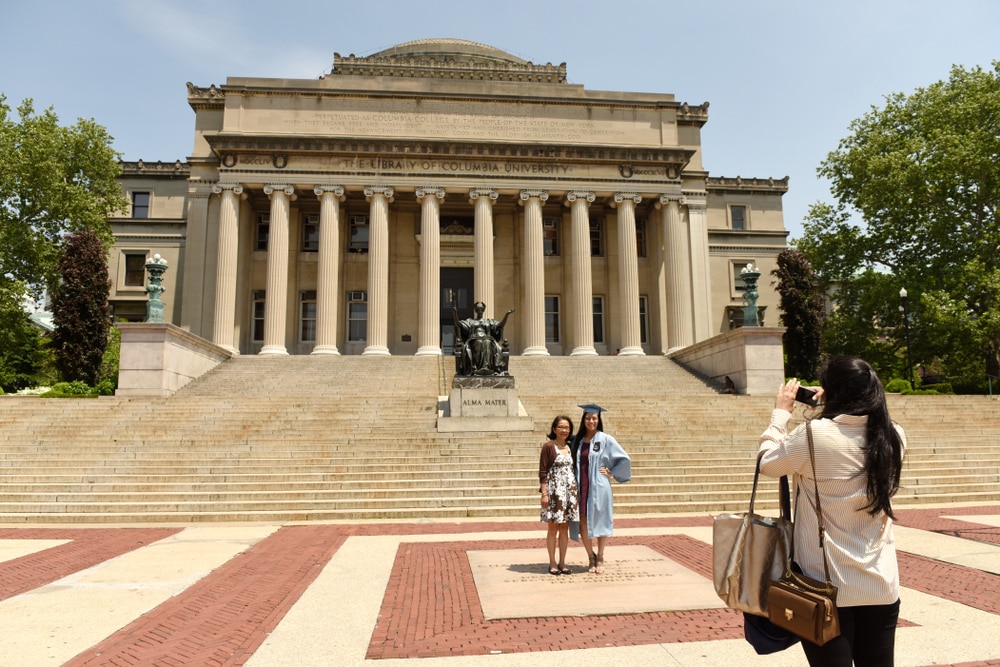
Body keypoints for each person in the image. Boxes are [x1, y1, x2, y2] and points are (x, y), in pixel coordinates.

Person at [758, 356, 906, 667]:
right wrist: (833, 403)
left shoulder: (813, 434)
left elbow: (767, 464)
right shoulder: (894, 435)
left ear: (830, 391)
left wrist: (780, 416)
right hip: (880, 583)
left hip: (823, 585)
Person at [569, 403, 631, 574]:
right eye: (588, 418)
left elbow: (624, 459)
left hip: (599, 486)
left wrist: (611, 472)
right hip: (581, 486)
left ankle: (601, 556)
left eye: (594, 418)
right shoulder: (577, 441)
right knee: (582, 521)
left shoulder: (606, 439)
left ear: (598, 419)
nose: (591, 421)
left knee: (602, 520)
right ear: (583, 420)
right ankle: (591, 556)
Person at [538, 415, 579, 575]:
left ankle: (562, 562)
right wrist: (544, 494)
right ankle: (552, 562)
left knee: (564, 528)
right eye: (561, 427)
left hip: (569, 493)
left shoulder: (571, 447)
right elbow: (542, 471)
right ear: (554, 429)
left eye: (567, 428)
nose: (564, 430)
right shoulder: (548, 446)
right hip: (554, 493)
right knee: (553, 528)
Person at [451, 301, 514, 375]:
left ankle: (486, 367)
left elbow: (500, 325)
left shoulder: (488, 321)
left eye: (481, 309)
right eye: (478, 309)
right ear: (475, 310)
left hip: (487, 338)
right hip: (474, 339)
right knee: (478, 342)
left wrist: (506, 315)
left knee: (487, 342)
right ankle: (476, 367)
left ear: (483, 310)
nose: (479, 311)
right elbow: (458, 324)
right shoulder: (470, 321)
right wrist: (454, 313)